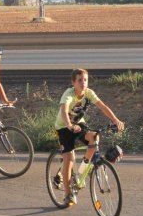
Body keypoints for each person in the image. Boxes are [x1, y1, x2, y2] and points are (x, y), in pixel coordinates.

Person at [53, 68, 124, 206]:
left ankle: (83, 170)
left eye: (85, 80)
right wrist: (69, 125)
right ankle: (68, 195)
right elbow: (64, 109)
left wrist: (116, 121)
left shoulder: (89, 93)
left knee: (94, 138)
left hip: (79, 124)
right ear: (73, 82)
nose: (83, 83)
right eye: (79, 80)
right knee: (69, 159)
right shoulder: (69, 94)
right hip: (63, 127)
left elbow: (102, 106)